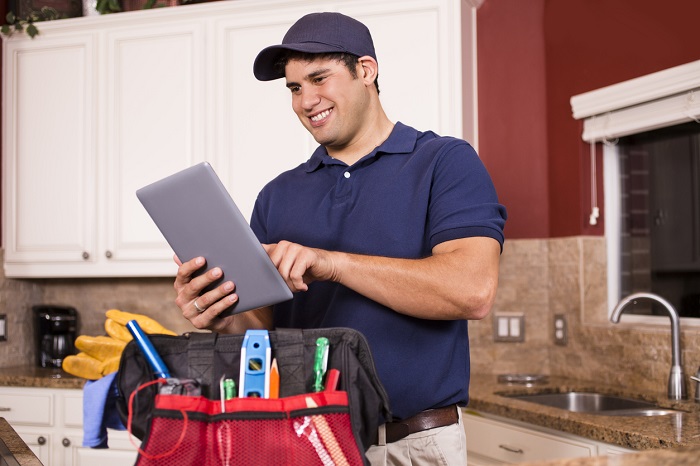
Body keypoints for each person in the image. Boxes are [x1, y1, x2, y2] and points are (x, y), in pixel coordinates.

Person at [173, 11, 507, 466]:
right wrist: (219, 314)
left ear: (366, 70)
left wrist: (332, 264)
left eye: (318, 78)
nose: (306, 100)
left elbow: (472, 291)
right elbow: (259, 330)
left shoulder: (444, 162)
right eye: (294, 87)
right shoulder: (277, 195)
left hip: (413, 446)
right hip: (306, 441)